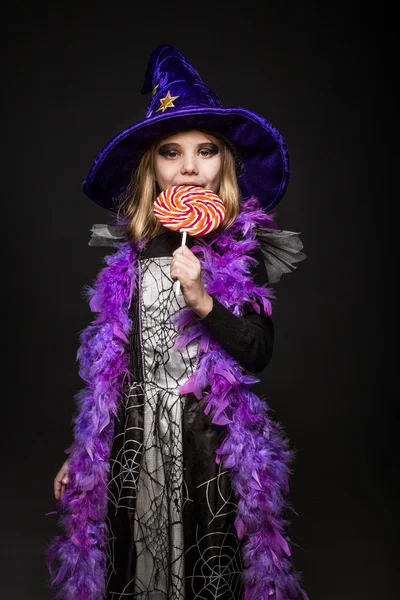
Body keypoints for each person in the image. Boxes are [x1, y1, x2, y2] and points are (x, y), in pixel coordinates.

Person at [46, 44, 307, 600]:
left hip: (206, 439)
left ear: (225, 164)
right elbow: (114, 364)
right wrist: (84, 451)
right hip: (134, 439)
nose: (190, 165)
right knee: (135, 563)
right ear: (153, 167)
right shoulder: (134, 257)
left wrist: (202, 298)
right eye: (172, 152)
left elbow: (257, 352)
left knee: (207, 562)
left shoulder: (242, 254)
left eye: (207, 150)